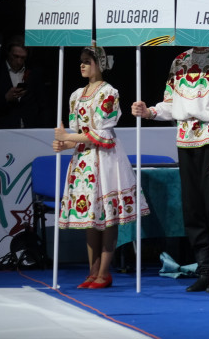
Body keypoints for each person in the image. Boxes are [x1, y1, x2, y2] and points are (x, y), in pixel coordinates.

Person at [131, 48, 209, 292]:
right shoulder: (179, 61)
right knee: (193, 209)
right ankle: (204, 270)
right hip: (185, 141)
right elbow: (171, 103)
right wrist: (149, 112)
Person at [52, 45, 149, 289]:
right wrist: (64, 143)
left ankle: (104, 273)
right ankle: (92, 271)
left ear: (99, 64)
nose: (82, 65)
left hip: (105, 159)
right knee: (90, 217)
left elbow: (102, 134)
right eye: (81, 61)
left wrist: (68, 138)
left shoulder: (108, 92)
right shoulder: (76, 95)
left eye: (87, 61)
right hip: (84, 162)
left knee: (107, 217)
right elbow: (78, 133)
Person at [0, 37, 50, 128]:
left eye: (23, 58)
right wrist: (6, 98)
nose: (19, 61)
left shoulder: (33, 73)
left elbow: (43, 105)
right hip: (5, 127)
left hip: (30, 127)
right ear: (8, 53)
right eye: (15, 56)